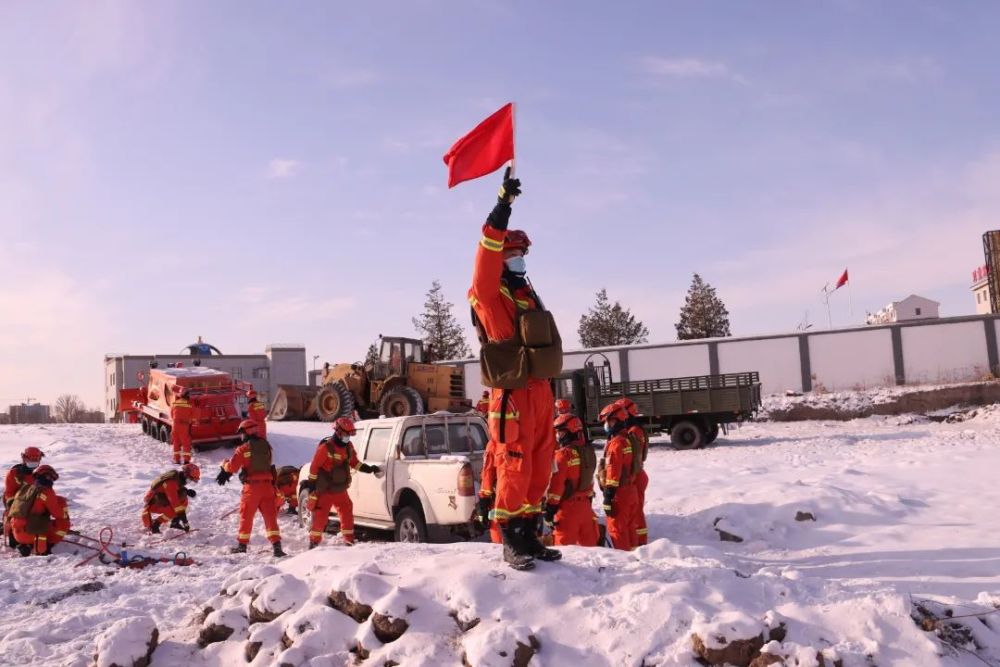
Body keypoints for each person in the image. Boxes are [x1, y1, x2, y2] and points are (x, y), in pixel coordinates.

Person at [468, 168, 564, 571]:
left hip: (539, 388)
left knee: (541, 460)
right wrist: (502, 207)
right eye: (514, 253)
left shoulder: (525, 292)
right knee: (514, 460)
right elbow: (485, 259)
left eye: (522, 253)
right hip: (512, 392)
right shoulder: (489, 295)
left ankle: (529, 532)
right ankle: (510, 539)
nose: (521, 259)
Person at [301, 417, 380, 548]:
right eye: (346, 434)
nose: (348, 437)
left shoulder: (348, 447)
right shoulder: (325, 448)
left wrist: (368, 469)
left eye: (350, 434)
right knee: (320, 516)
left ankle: (348, 540)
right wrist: (312, 485)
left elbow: (354, 463)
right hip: (325, 490)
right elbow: (314, 467)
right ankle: (314, 542)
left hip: (340, 489)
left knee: (347, 510)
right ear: (338, 432)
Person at [217, 419, 286, 557]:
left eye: (242, 433)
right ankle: (277, 548)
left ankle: (242, 546)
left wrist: (223, 466)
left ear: (247, 432)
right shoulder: (267, 446)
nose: (241, 436)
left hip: (252, 488)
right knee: (270, 517)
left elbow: (232, 467)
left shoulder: (244, 448)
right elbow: (268, 463)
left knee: (246, 516)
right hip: (268, 487)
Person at [544, 414, 600, 546]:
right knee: (591, 551)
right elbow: (589, 478)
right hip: (586, 508)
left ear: (570, 431)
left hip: (568, 510)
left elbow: (556, 486)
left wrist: (550, 509)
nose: (558, 435)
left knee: (565, 552)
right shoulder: (588, 452)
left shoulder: (562, 455)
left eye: (561, 432)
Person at [598, 403, 639, 551]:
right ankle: (636, 557)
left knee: (618, 531)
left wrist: (608, 496)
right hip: (631, 490)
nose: (606, 425)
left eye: (607, 422)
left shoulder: (616, 444)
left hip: (619, 494)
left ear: (614, 421)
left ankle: (626, 562)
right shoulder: (628, 439)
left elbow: (613, 472)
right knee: (630, 529)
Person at [9, 464, 64, 556]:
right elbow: (57, 514)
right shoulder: (47, 491)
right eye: (48, 477)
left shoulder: (26, 488)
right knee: (63, 521)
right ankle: (48, 545)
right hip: (32, 535)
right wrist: (63, 509)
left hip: (16, 534)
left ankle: (26, 546)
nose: (50, 480)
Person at [616, 398, 649, 546]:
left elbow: (633, 456)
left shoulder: (634, 431)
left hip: (635, 476)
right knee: (635, 510)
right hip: (636, 475)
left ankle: (640, 542)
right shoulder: (634, 429)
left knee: (636, 512)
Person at [4, 446, 44, 548]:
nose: (34, 462)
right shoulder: (14, 473)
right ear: (24, 458)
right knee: (16, 517)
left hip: (33, 502)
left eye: (36, 460)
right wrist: (14, 505)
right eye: (31, 459)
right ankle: (12, 534)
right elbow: (9, 492)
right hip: (16, 501)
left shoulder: (40, 473)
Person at [142, 463, 200, 534]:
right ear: (185, 475)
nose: (189, 482)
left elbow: (175, 489)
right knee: (175, 510)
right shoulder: (171, 483)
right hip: (153, 503)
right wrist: (185, 522)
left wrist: (186, 491)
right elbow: (175, 503)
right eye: (190, 479)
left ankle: (175, 523)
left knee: (184, 498)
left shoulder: (177, 477)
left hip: (160, 498)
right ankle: (156, 524)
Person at [476, 440, 503, 544]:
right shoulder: (527, 439)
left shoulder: (494, 445)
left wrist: (483, 499)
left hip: (500, 497)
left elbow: (488, 472)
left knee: (498, 532)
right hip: (525, 496)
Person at [170, 388, 194, 465]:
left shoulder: (175, 403)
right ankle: (186, 461)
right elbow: (194, 415)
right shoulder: (189, 405)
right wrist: (190, 421)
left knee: (176, 443)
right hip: (184, 427)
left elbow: (171, 415)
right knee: (186, 444)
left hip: (175, 426)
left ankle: (177, 460)